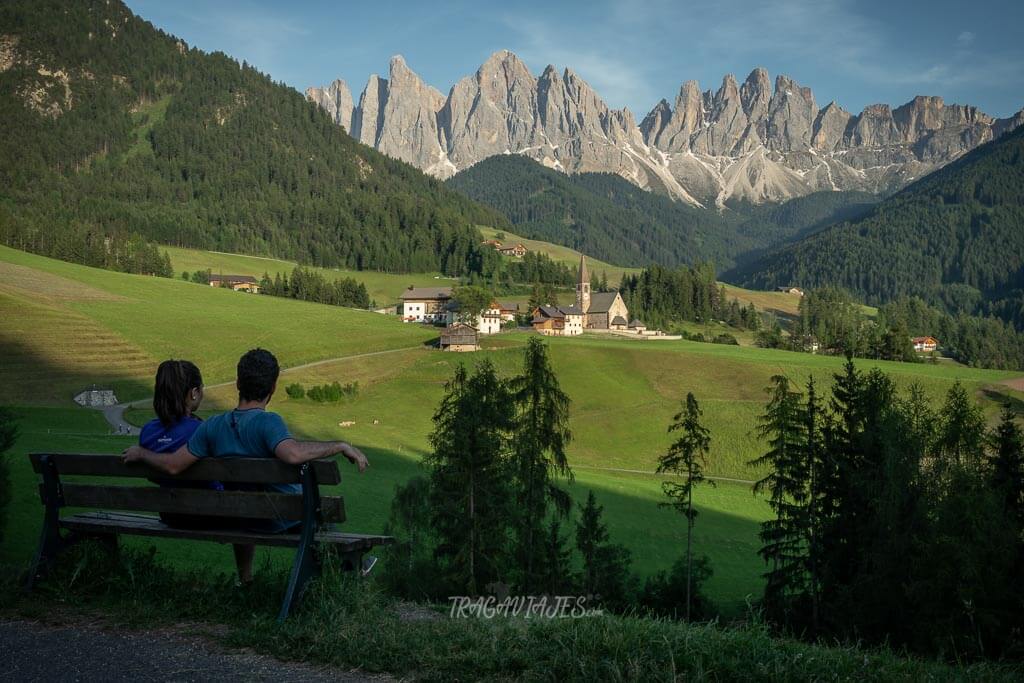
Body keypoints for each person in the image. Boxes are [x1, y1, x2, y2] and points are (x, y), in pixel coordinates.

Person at [123, 348, 369, 584]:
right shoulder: (268, 422)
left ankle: (246, 579)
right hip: (277, 518)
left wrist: (142, 453)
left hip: (240, 516)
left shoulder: (212, 426)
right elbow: (293, 454)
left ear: (238, 383)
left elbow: (174, 465)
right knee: (321, 515)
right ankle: (340, 578)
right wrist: (339, 445)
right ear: (273, 387)